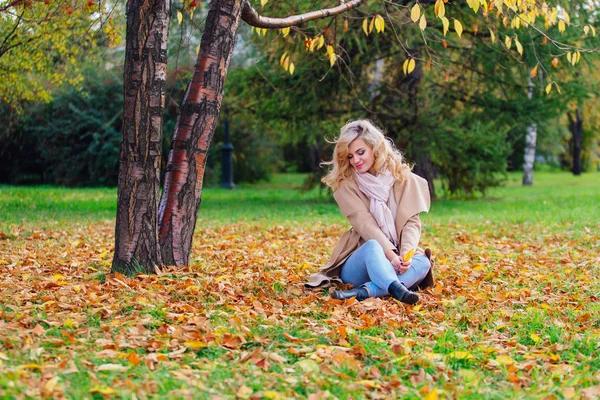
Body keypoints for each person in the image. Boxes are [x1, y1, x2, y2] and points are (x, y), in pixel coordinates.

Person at [305, 120, 434, 304]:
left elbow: (411, 222)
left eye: (360, 152)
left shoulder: (402, 178)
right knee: (373, 246)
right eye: (350, 156)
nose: (355, 161)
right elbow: (365, 225)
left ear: (375, 148)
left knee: (423, 262)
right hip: (361, 260)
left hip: (396, 256)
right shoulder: (347, 185)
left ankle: (365, 292)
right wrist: (390, 254)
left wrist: (406, 254)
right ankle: (395, 287)